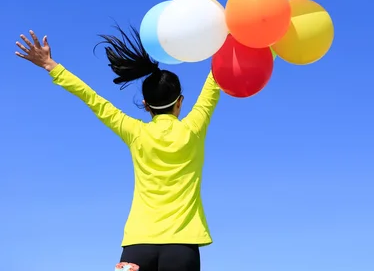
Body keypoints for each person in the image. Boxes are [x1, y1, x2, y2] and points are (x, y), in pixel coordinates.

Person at [15, 27, 220, 271]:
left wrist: (51, 65)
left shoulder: (134, 132)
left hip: (137, 245)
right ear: (180, 102)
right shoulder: (193, 129)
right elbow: (215, 81)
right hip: (182, 246)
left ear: (145, 105)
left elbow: (94, 99)